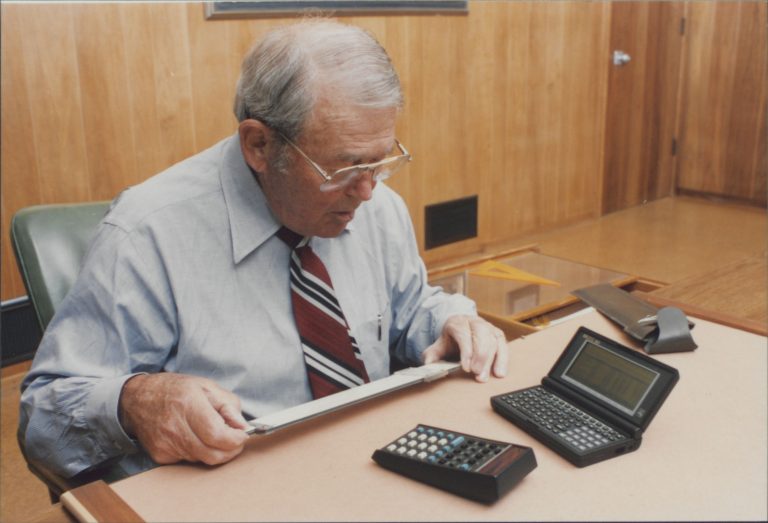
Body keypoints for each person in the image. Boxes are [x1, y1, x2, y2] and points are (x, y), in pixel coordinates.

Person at [18, 19, 508, 481]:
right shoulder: (146, 236)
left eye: (380, 162)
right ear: (258, 145)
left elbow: (405, 311)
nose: (367, 191)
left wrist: (447, 319)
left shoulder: (377, 209)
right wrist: (131, 400)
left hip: (375, 467)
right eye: (342, 169)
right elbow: (44, 412)